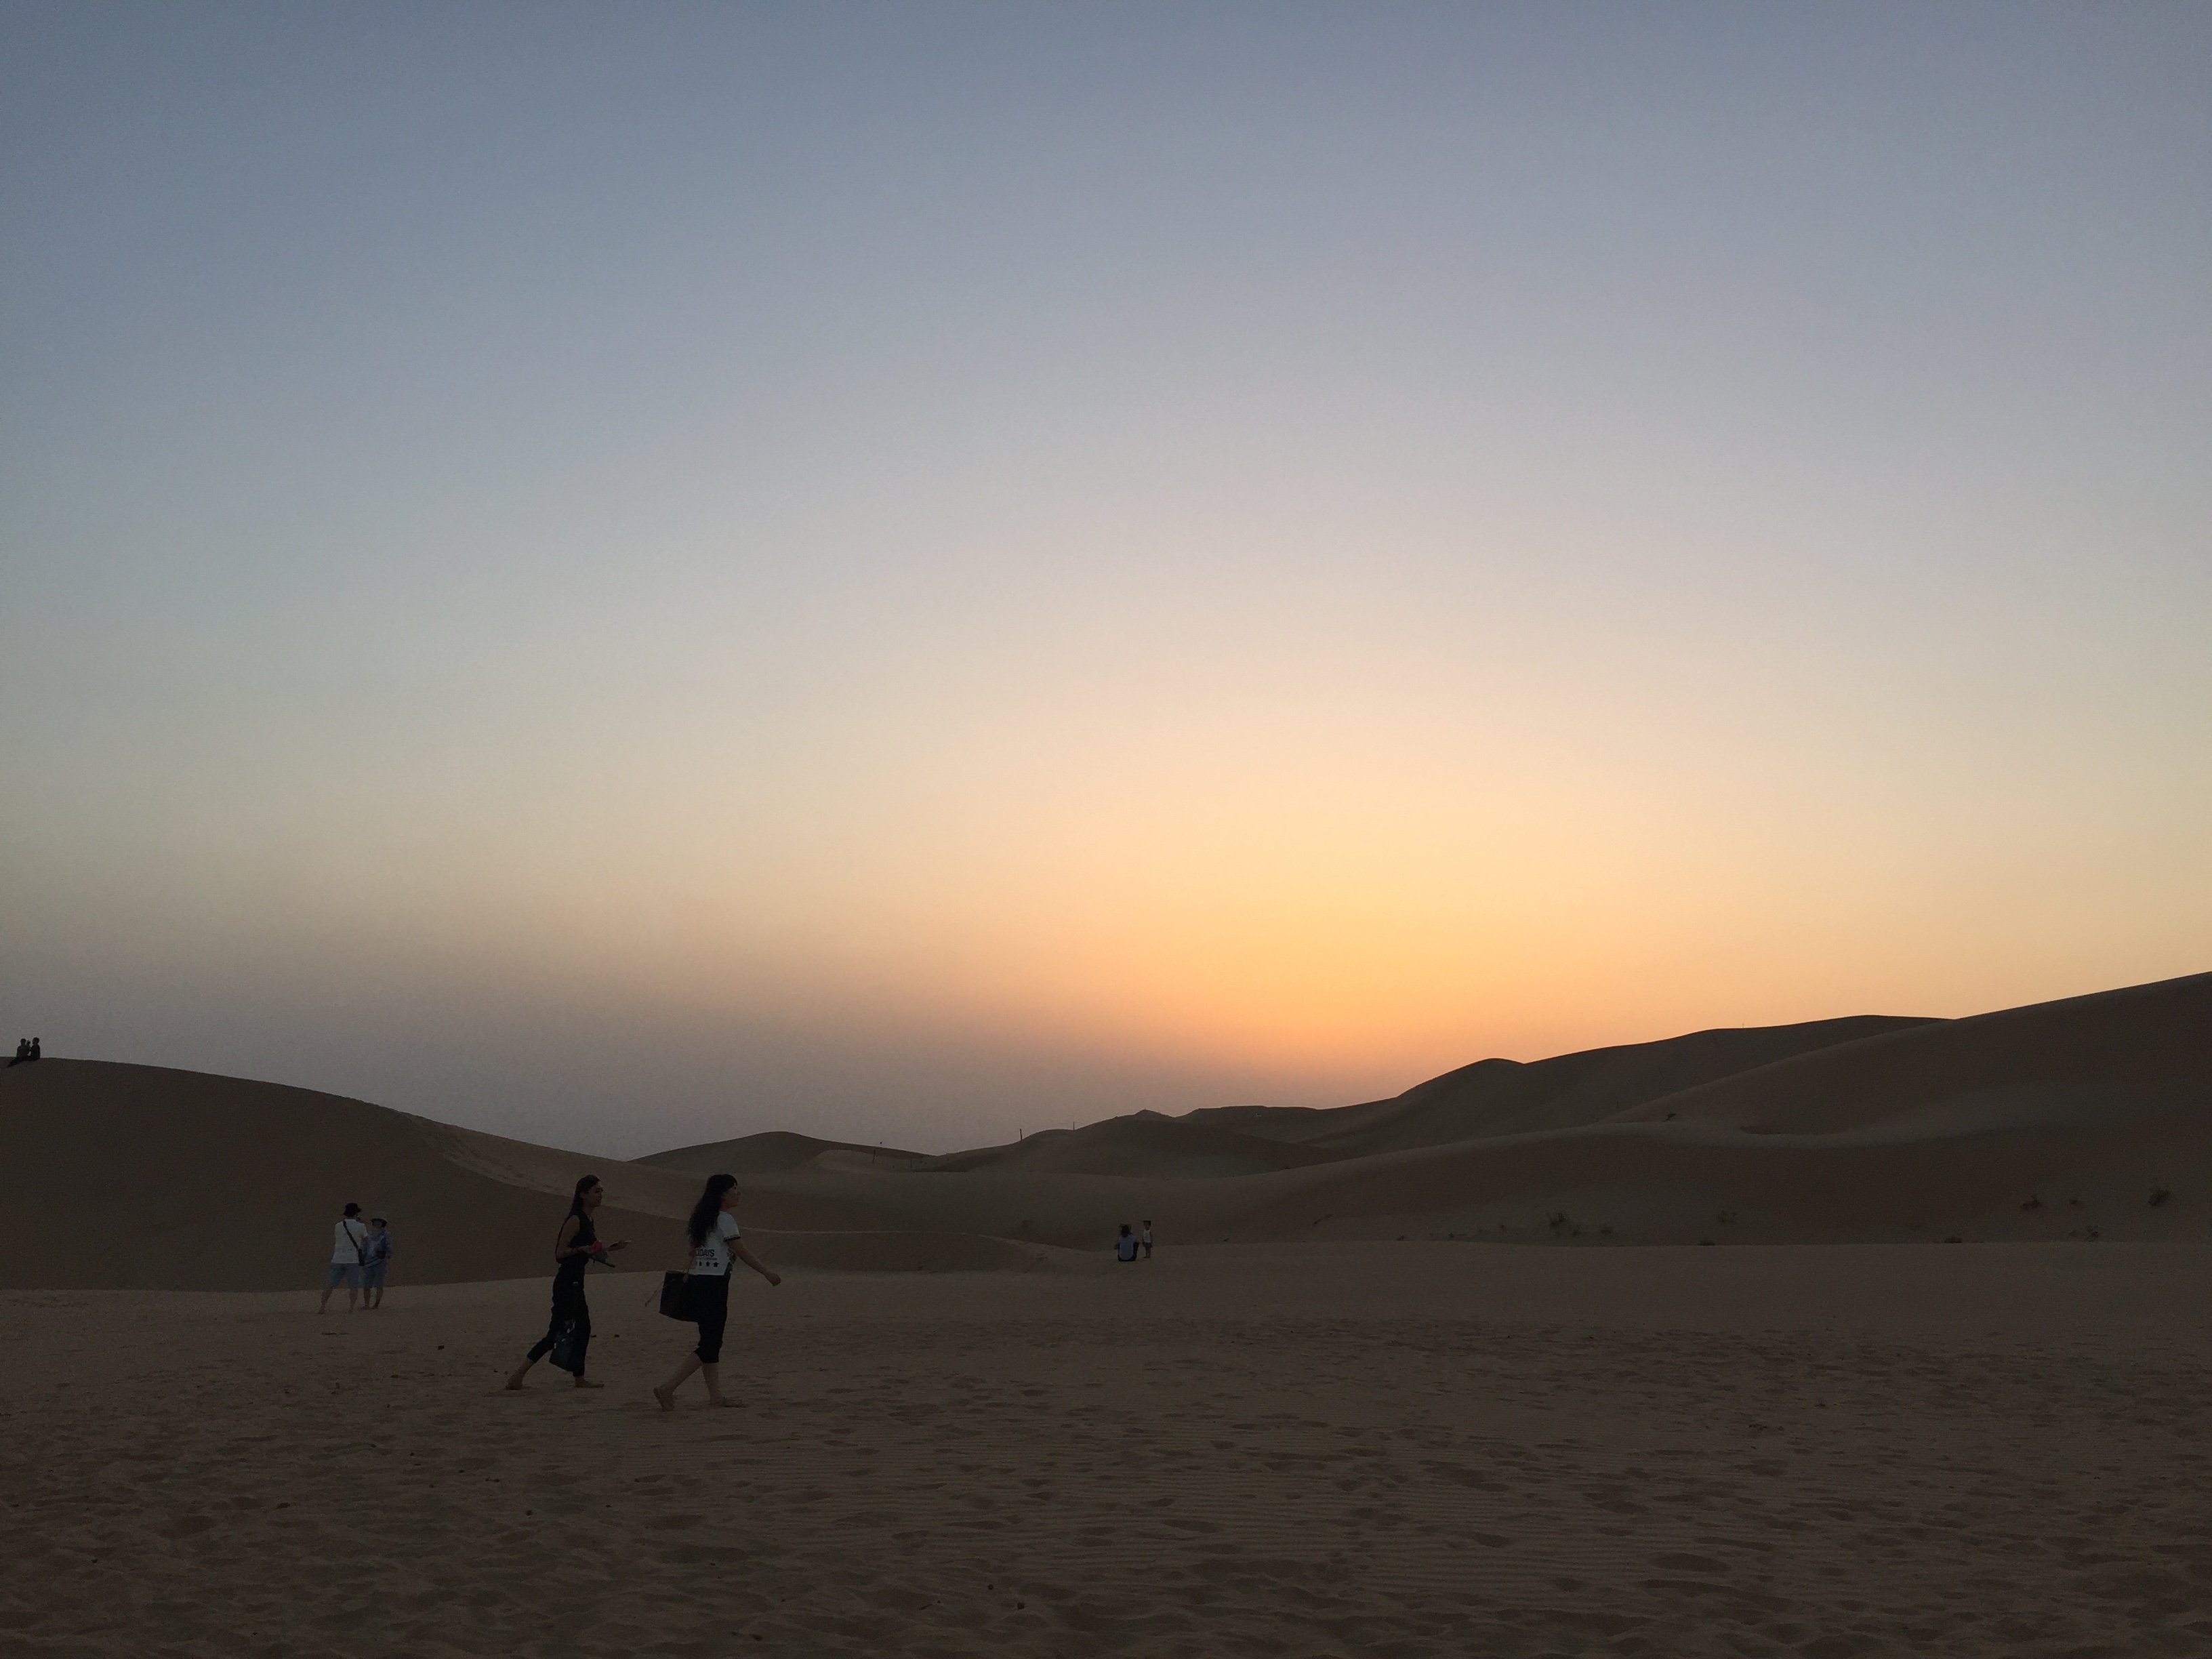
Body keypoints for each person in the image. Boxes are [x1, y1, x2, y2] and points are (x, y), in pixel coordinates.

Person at [655, 1174, 779, 1411]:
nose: (738, 1193)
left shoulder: (704, 1219)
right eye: (734, 1189)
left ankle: (716, 1397)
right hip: (714, 1286)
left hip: (701, 1283)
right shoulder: (725, 1220)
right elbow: (741, 1250)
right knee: (710, 1344)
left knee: (710, 1341)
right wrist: (766, 1272)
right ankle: (668, 1388)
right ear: (723, 1194)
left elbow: (695, 1251)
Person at [506, 1175, 628, 1390]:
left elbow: (589, 1252)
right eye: (596, 1191)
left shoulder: (588, 1221)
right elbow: (560, 1253)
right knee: (556, 1332)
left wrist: (609, 1249)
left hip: (576, 1282)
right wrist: (580, 1249)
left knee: (583, 1328)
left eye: (601, 1191)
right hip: (567, 1283)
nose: (600, 1195)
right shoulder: (575, 1220)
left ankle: (578, 1378)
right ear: (583, 1195)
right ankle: (518, 1376)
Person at [318, 1203, 369, 1313]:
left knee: (330, 1285)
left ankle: (322, 1306)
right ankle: (351, 1308)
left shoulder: (338, 1225)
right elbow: (365, 1240)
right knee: (353, 1286)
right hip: (352, 1259)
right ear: (356, 1214)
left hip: (337, 1258)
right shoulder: (361, 1226)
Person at [361, 1215, 393, 1309]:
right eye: (376, 1221)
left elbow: (389, 1249)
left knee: (379, 1284)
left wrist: (385, 1257)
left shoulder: (386, 1235)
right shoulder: (369, 1235)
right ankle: (367, 1304)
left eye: (380, 1221)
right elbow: (365, 1249)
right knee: (366, 1285)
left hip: (380, 1263)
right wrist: (362, 1259)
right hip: (368, 1263)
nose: (378, 1222)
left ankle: (376, 1305)